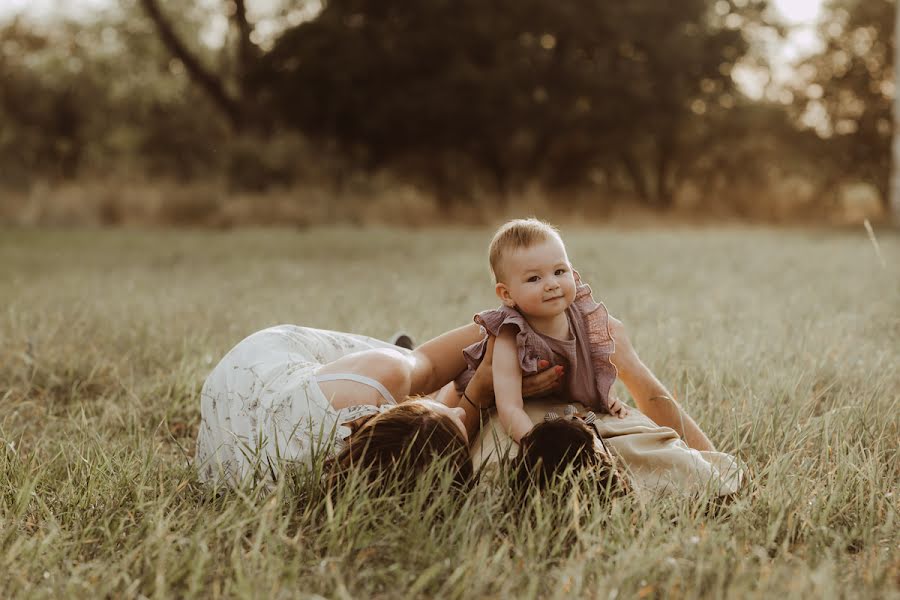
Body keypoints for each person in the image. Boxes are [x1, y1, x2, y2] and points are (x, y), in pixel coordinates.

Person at [195, 324, 560, 489]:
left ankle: (395, 348)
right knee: (418, 382)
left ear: (394, 411)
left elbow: (429, 364)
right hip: (242, 401)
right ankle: (402, 357)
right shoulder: (371, 473)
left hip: (254, 370)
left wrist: (504, 337)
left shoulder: (373, 381)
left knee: (403, 364)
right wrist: (483, 386)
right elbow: (431, 435)